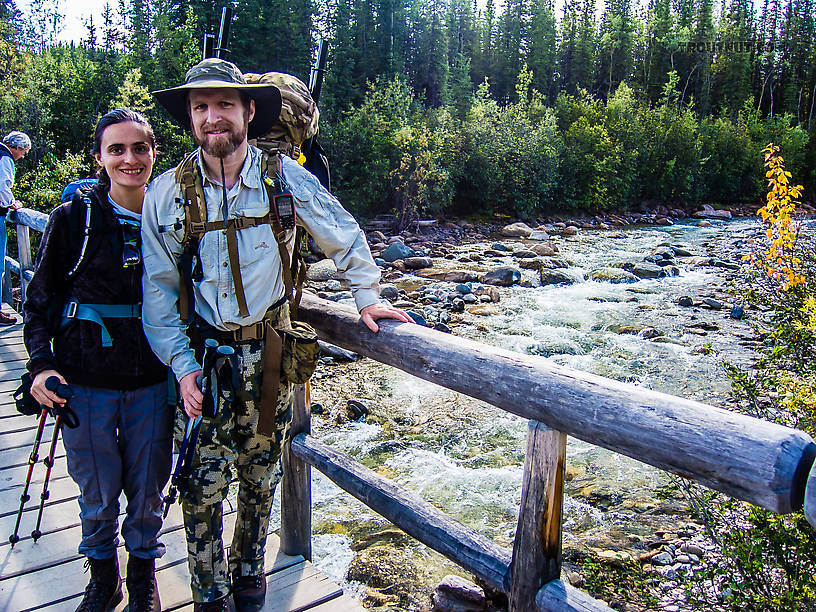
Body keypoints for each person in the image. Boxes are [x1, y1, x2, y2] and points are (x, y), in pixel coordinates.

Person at [141, 58, 413, 612]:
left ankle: (249, 580)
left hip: (270, 356)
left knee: (262, 478)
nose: (212, 117)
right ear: (191, 118)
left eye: (223, 105)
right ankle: (209, 594)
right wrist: (181, 364)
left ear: (247, 111)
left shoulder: (282, 176)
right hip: (203, 362)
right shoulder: (167, 192)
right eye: (200, 107)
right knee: (199, 486)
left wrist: (368, 297)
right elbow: (158, 291)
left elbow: (344, 235)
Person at [23, 110, 171, 612]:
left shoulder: (173, 216)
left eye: (140, 148)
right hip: (83, 380)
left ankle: (144, 576)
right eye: (117, 149)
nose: (130, 159)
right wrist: (41, 365)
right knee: (97, 489)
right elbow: (39, 298)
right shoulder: (75, 220)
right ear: (100, 157)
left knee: (149, 486)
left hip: (155, 379)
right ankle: (103, 578)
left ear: (153, 153)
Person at [0, 131, 31, 324]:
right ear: (17, 147)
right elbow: (2, 186)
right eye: (24, 151)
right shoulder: (5, 158)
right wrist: (11, 203)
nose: (23, 155)